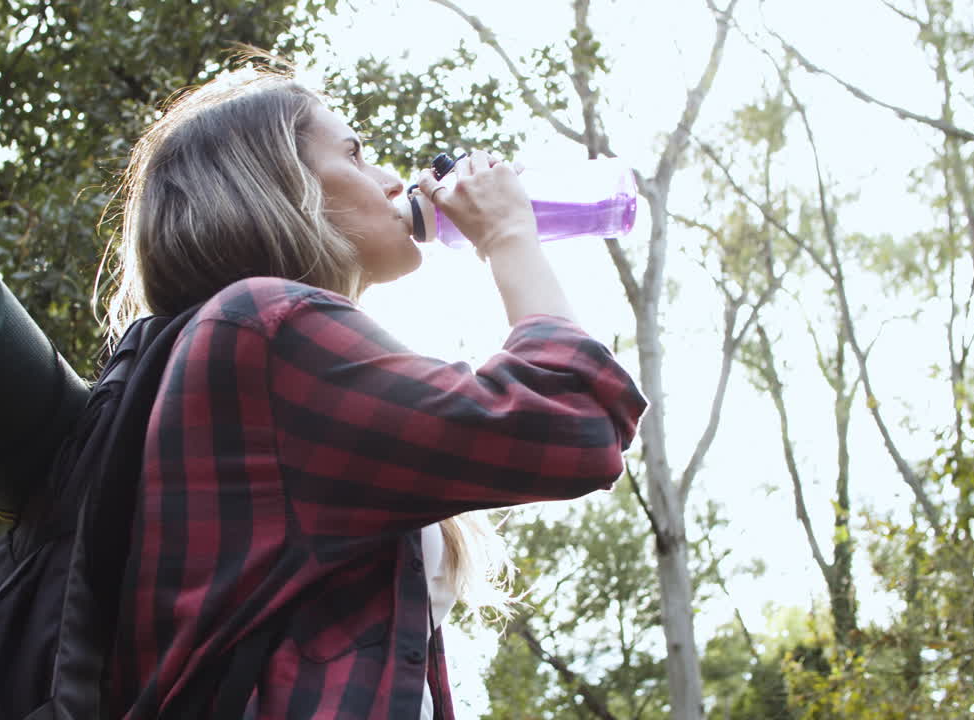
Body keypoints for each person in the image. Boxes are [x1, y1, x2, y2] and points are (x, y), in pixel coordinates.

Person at [98, 66, 648, 719]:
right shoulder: (265, 330)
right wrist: (507, 236)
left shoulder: (259, 349)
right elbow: (577, 418)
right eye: (355, 154)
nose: (395, 182)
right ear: (280, 185)